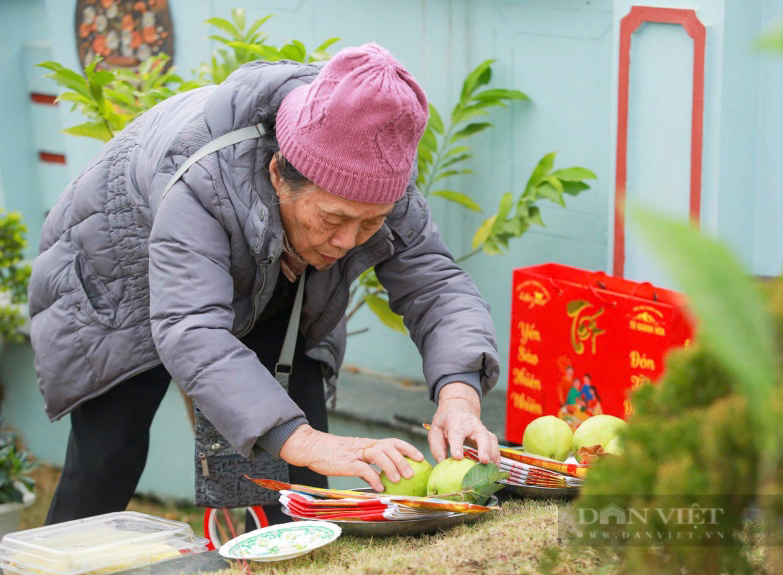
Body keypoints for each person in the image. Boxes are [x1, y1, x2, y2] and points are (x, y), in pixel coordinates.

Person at [27, 43, 501, 525]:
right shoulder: (204, 176)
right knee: (109, 453)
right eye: (334, 218)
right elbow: (191, 328)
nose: (345, 242)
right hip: (120, 278)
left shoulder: (379, 172)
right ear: (279, 175)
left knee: (302, 480)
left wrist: (460, 397)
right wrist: (307, 442)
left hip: (268, 267)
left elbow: (436, 286)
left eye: (369, 224)